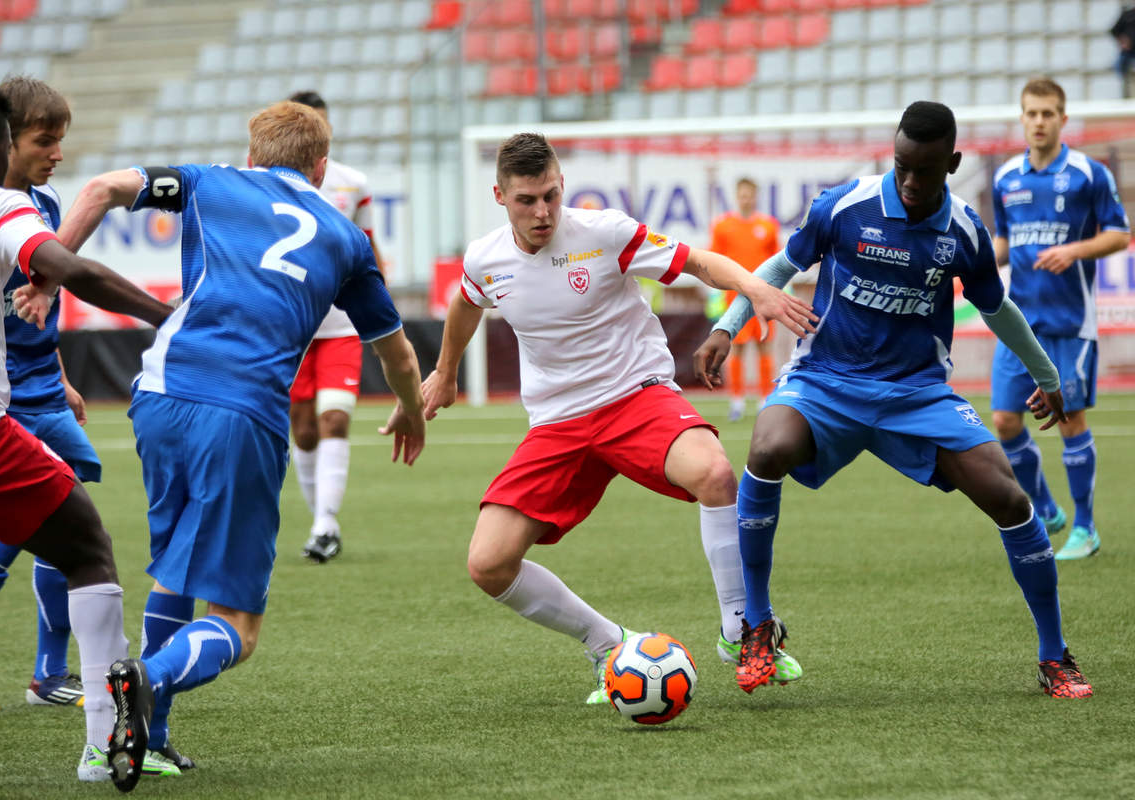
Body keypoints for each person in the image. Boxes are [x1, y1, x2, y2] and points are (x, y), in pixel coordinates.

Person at [55, 100, 426, 792]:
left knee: (174, 564)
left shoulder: (208, 180)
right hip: (243, 411)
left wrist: (49, 269)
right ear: (321, 168)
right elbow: (397, 350)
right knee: (239, 628)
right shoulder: (346, 237)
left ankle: (151, 739)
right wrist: (410, 410)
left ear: (252, 156)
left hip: (159, 393)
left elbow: (100, 188)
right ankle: (147, 677)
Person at [694, 101, 1093, 700]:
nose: (909, 181)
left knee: (1009, 496)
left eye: (925, 171)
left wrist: (1049, 375)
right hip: (826, 380)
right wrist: (728, 325)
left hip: (917, 393)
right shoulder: (843, 205)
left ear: (952, 164)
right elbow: (778, 268)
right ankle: (757, 625)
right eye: (902, 165)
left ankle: (1053, 654)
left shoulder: (964, 230)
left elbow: (996, 307)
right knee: (767, 447)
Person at [421, 133, 817, 706]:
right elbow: (465, 301)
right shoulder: (486, 259)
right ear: (500, 196)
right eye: (527, 200)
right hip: (557, 422)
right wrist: (446, 369)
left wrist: (756, 288)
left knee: (713, 473)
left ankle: (741, 629)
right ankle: (606, 643)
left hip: (635, 397)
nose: (543, 212)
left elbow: (699, 262)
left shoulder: (604, 232)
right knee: (488, 563)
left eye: (552, 196)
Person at [0, 77, 175, 783]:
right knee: (87, 548)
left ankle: (7, 662)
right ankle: (103, 742)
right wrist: (172, 317)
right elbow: (65, 268)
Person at [989, 77, 1130, 561]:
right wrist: (971, 263)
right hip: (1018, 322)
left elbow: (1118, 234)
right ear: (1022, 118)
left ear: (1063, 119)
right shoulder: (1006, 177)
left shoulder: (1089, 174)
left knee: (1069, 420)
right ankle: (1046, 508)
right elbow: (1003, 244)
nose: (1039, 122)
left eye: (1048, 113)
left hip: (1071, 322)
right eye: (1031, 113)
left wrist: (1073, 250)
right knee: (1005, 420)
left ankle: (1086, 528)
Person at [285, 90, 387, 563]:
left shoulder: (351, 183)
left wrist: (382, 303)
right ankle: (321, 523)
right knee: (303, 431)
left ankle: (325, 523)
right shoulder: (269, 184)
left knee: (335, 418)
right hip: (289, 326)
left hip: (341, 323)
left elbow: (367, 246)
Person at [709, 177, 781, 421]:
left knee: (764, 347)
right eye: (742, 195)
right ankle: (737, 401)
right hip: (734, 297)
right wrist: (715, 295)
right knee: (735, 349)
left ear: (755, 196)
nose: (746, 199)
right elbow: (713, 261)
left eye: (749, 195)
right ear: (736, 196)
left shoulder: (768, 226)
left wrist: (782, 292)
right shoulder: (723, 226)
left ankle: (764, 399)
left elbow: (777, 261)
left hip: (762, 296)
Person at [1110, 6, 1135, 97]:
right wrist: (1122, 41)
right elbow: (1114, 31)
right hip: (1129, 52)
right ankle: (1124, 92)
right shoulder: (1127, 15)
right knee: (1120, 68)